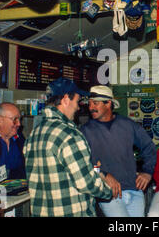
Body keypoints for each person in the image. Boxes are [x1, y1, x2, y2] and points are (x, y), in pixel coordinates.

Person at [23, 78, 112, 217]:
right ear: (65, 99)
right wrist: (108, 190)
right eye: (77, 101)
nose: (78, 107)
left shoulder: (34, 133)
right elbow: (86, 182)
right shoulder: (68, 134)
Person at [81, 85, 157, 217]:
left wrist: (147, 172)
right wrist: (103, 173)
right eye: (90, 103)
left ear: (108, 103)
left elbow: (149, 147)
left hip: (135, 190)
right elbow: (84, 163)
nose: (90, 107)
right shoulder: (85, 131)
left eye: (95, 103)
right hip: (109, 193)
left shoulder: (128, 125)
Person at [0, 102, 26, 179]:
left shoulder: (19, 138)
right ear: (0, 120)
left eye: (19, 119)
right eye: (15, 120)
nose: (19, 124)